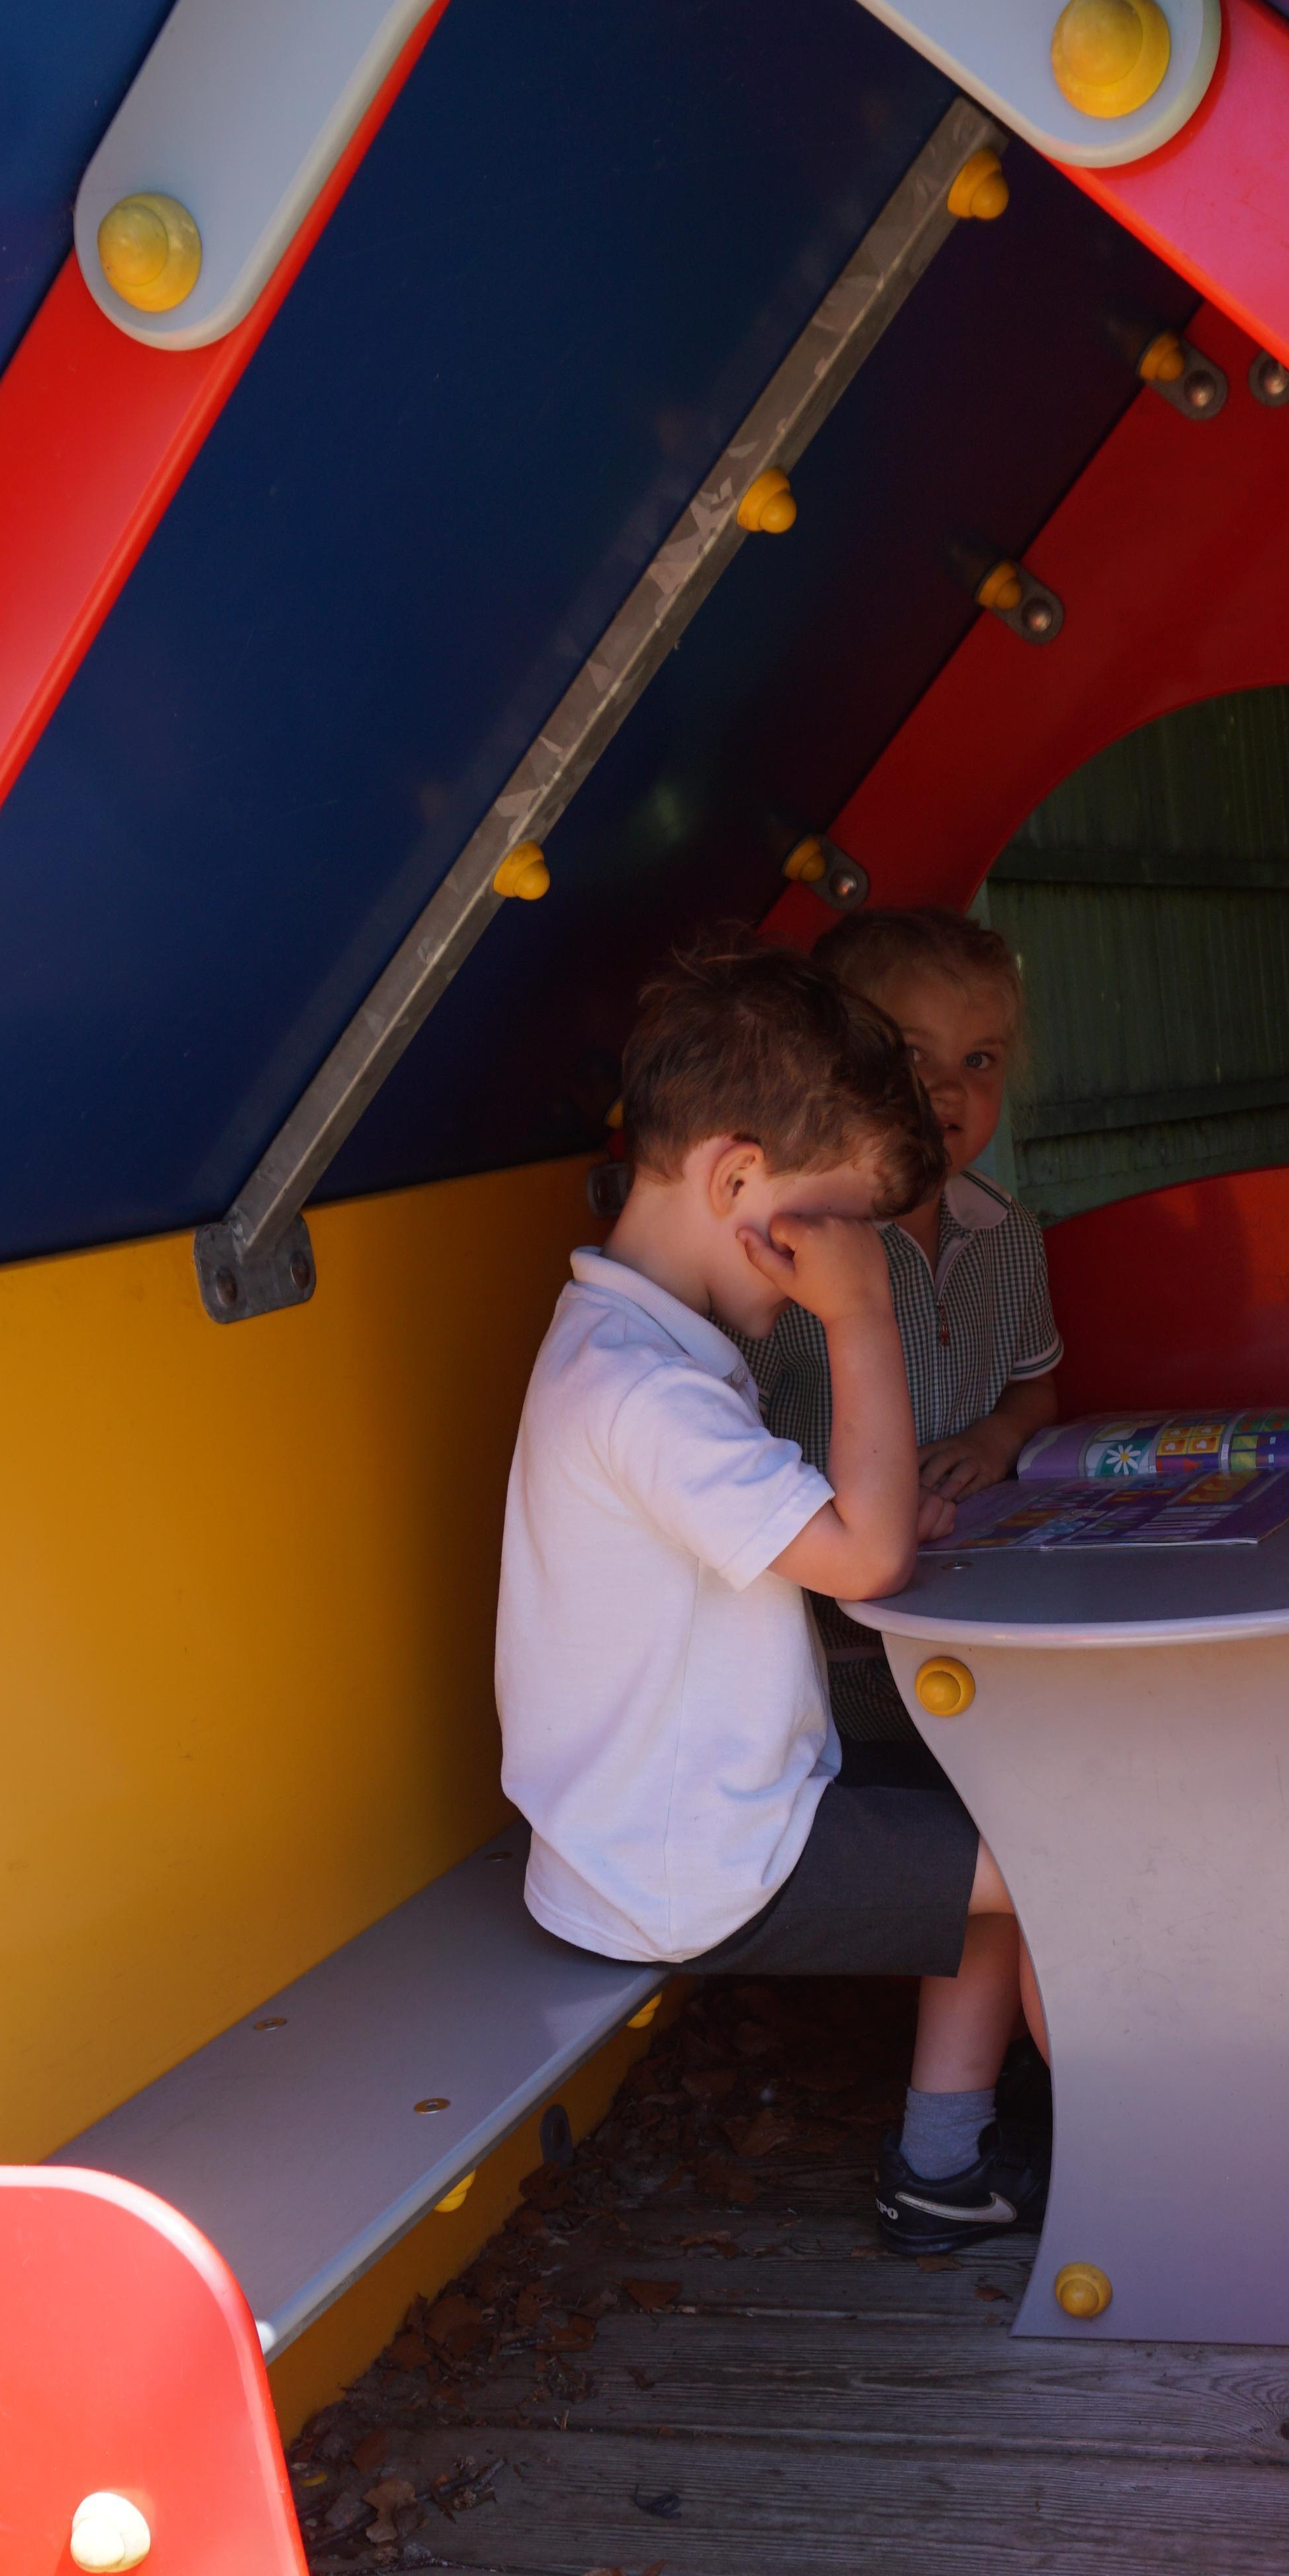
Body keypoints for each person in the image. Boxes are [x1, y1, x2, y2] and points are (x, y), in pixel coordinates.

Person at [497, 936, 1047, 2251]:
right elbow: (866, 1564)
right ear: (736, 1179)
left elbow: (820, 1536)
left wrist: (860, 1508)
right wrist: (860, 1319)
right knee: (1064, 1862)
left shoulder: (636, 1345)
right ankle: (1148, 2176)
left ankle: (946, 2163)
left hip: (661, 1831)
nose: (836, 1265)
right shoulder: (644, 1389)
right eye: (833, 1226)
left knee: (1000, 1815)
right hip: (693, 1863)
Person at [746, 905, 1061, 1763]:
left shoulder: (1007, 1232)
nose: (950, 1090)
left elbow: (1038, 1386)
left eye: (980, 1060)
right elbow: (725, 1433)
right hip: (837, 1638)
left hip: (985, 1601)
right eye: (914, 1055)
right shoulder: (797, 1249)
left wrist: (997, 1438)